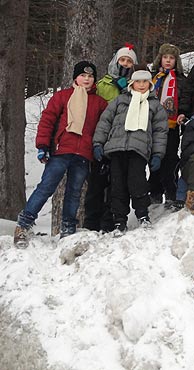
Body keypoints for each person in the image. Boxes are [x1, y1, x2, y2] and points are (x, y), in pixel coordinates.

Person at [14, 61, 108, 248]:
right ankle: (24, 225)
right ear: (75, 77)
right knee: (46, 187)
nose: (87, 79)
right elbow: (47, 120)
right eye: (83, 75)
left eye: (90, 76)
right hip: (61, 150)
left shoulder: (99, 102)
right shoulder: (63, 96)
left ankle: (68, 229)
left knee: (74, 193)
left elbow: (103, 128)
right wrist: (42, 145)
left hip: (83, 154)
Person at [92, 67, 168, 234]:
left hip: (138, 150)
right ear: (132, 83)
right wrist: (98, 143)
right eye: (138, 82)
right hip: (116, 148)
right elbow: (105, 122)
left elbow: (160, 132)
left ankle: (142, 215)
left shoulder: (155, 105)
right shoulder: (119, 101)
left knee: (137, 183)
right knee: (117, 186)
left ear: (150, 84)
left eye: (145, 82)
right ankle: (119, 220)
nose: (141, 85)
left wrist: (157, 154)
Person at [83, 44, 138, 233]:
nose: (125, 63)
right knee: (96, 184)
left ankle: (109, 222)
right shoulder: (102, 85)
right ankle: (90, 223)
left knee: (117, 185)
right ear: (116, 61)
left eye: (129, 61)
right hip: (101, 138)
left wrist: (126, 89)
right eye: (122, 60)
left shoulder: (135, 86)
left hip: (121, 141)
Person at [148, 43, 187, 206]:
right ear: (160, 59)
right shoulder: (152, 77)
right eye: (165, 57)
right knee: (154, 158)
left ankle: (171, 192)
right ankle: (154, 192)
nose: (168, 61)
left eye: (172, 58)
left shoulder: (181, 80)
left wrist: (183, 113)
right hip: (151, 125)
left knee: (170, 159)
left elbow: (185, 98)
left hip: (171, 125)